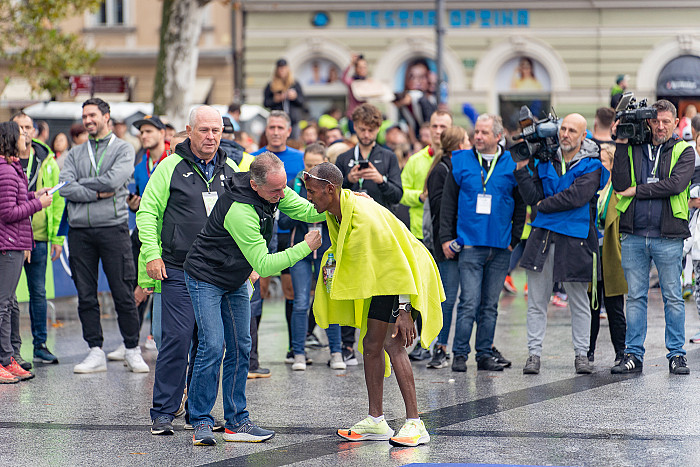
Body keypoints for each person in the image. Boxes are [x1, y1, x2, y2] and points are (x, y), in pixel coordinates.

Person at [182, 152, 326, 446]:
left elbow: (310, 212)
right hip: (205, 277)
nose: (282, 194)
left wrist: (347, 203)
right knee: (212, 345)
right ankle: (200, 420)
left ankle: (237, 421)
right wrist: (304, 246)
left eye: (284, 187)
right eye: (276, 190)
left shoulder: (273, 191)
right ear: (255, 185)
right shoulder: (240, 210)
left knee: (240, 345)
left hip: (233, 276)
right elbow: (264, 266)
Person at [307, 162, 443, 447]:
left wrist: (405, 310)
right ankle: (377, 421)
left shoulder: (364, 215)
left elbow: (399, 261)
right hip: (387, 277)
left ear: (329, 190)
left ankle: (416, 424)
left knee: (394, 344)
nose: (309, 197)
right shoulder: (339, 208)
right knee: (371, 345)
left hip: (406, 275)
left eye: (312, 192)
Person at [137, 106, 241, 435]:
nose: (211, 136)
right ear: (189, 131)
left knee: (210, 343)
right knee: (177, 339)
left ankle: (199, 412)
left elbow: (246, 218)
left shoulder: (231, 168)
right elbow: (147, 212)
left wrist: (251, 261)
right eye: (204, 130)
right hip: (178, 268)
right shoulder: (170, 166)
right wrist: (152, 255)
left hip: (218, 273)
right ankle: (163, 411)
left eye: (216, 130)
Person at [59, 98, 149, 374]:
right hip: (80, 232)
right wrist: (97, 192)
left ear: (106, 117)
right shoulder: (74, 153)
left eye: (93, 115)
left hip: (113, 228)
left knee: (123, 292)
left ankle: (132, 349)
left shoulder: (123, 149)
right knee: (86, 295)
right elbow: (65, 187)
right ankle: (94, 350)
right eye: (84, 115)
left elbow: (114, 180)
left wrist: (83, 186)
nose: (88, 120)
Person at [514, 113, 607, 375]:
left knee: (578, 301)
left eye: (572, 131)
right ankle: (533, 355)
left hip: (576, 240)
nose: (565, 134)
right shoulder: (545, 158)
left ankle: (581, 355)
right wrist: (522, 170)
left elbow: (577, 197)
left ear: (583, 135)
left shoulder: (592, 163)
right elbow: (532, 197)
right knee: (536, 301)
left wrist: (545, 206)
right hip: (543, 237)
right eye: (563, 129)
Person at [611, 99, 695, 375]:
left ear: (674, 123)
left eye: (666, 122)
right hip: (634, 234)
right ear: (648, 121)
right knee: (635, 297)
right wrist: (621, 142)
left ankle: (677, 354)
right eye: (656, 121)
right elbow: (620, 184)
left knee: (672, 296)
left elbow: (675, 185)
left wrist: (638, 191)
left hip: (668, 235)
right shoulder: (634, 147)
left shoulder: (685, 150)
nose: (660, 126)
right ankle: (632, 354)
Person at [440, 114, 526, 372]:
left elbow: (521, 203)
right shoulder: (461, 160)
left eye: (484, 133)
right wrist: (446, 238)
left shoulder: (513, 162)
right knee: (469, 302)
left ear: (498, 136)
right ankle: (459, 353)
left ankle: (485, 353)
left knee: (489, 305)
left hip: (500, 246)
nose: (477, 136)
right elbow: (447, 204)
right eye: (476, 132)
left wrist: (514, 239)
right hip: (470, 244)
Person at [335, 103, 403, 364]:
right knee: (350, 286)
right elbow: (334, 195)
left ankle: (378, 336)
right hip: (350, 230)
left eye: (372, 130)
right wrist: (350, 179)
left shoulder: (387, 156)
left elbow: (397, 195)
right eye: (362, 129)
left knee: (376, 286)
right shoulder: (343, 157)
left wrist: (380, 179)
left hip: (379, 230)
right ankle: (347, 344)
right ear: (355, 128)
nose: (367, 135)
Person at [278, 143, 345, 371]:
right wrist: (304, 204)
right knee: (301, 301)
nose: (311, 172)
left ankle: (336, 351)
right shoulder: (294, 185)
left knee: (331, 297)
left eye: (316, 165)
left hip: (327, 251)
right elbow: (284, 222)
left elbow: (340, 217)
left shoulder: (332, 187)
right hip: (301, 251)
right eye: (308, 166)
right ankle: (298, 353)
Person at [9, 112, 65, 368]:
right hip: (12, 238)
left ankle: (40, 345)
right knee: (8, 297)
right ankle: (10, 351)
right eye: (19, 127)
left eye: (29, 127)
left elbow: (55, 202)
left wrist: (57, 237)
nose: (25, 132)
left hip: (40, 236)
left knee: (38, 293)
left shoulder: (46, 159)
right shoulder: (7, 161)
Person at [0, 121, 52, 383]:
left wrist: (33, 195)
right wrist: (38, 205)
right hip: (8, 245)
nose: (27, 137)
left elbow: (16, 200)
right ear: (10, 140)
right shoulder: (7, 171)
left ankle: (8, 357)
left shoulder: (10, 169)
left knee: (9, 304)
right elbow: (8, 213)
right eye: (21, 133)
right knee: (3, 304)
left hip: (14, 244)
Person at [252, 111, 305, 365]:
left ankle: (293, 347)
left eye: (279, 127)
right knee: (259, 289)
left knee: (291, 291)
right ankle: (253, 350)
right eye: (271, 127)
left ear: (288, 131)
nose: (275, 131)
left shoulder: (300, 159)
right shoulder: (254, 158)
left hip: (290, 233)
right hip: (262, 234)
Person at [424, 126, 469, 369]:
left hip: (461, 239)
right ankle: (439, 347)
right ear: (459, 145)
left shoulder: (454, 166)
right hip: (447, 242)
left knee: (462, 298)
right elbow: (441, 210)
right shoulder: (441, 170)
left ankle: (455, 346)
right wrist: (446, 240)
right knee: (448, 298)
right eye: (467, 139)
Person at [588, 143, 627, 364]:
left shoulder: (619, 189)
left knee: (614, 306)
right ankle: (587, 351)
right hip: (593, 254)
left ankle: (621, 352)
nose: (598, 165)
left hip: (612, 253)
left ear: (612, 164)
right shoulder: (591, 185)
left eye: (602, 160)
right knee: (591, 305)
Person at [400, 110, 452, 241]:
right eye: (434, 126)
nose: (438, 131)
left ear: (451, 129)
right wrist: (420, 197)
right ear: (429, 129)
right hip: (420, 233)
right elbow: (400, 192)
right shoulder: (415, 160)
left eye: (443, 127)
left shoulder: (459, 159)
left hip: (451, 232)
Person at [263, 58, 305, 136]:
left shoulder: (295, 84)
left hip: (293, 120)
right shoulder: (271, 85)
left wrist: (295, 97)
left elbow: (302, 102)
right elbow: (265, 103)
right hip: (278, 120)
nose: (282, 71)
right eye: (280, 69)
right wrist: (276, 99)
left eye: (284, 68)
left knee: (293, 141)